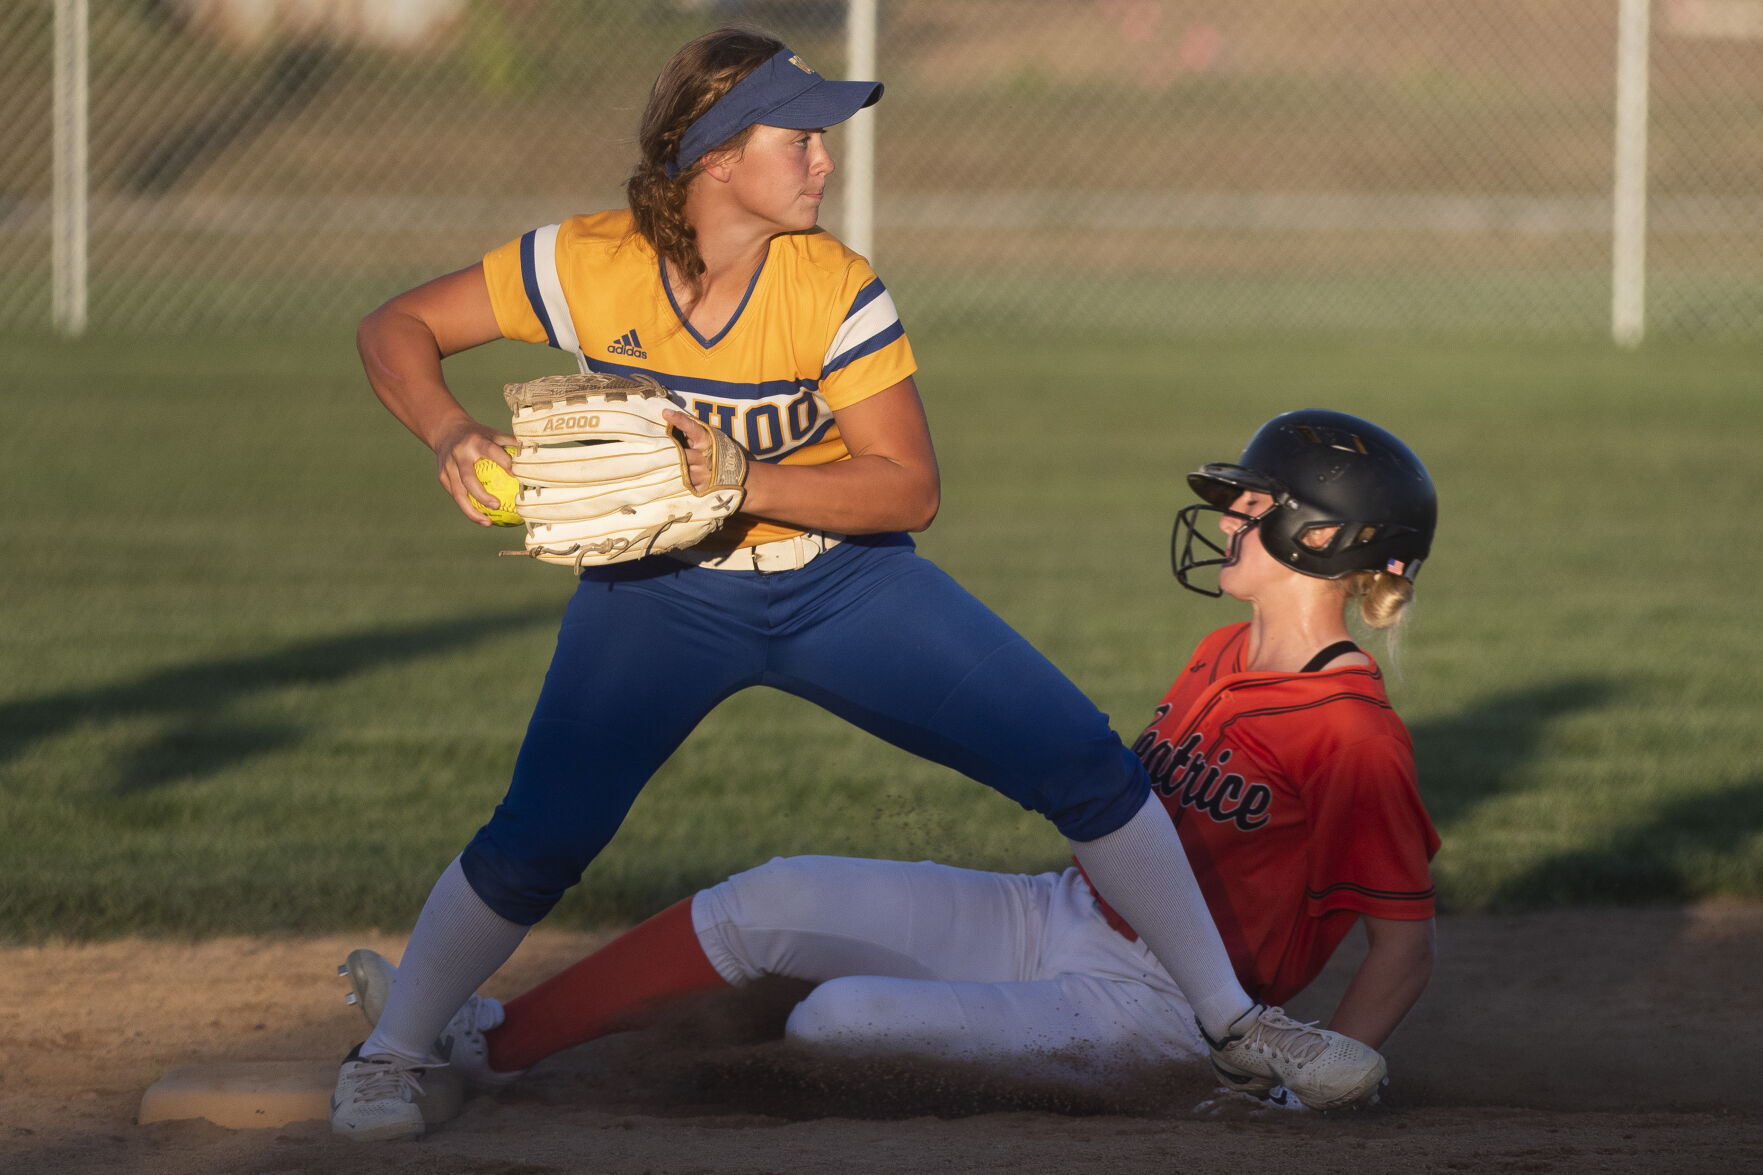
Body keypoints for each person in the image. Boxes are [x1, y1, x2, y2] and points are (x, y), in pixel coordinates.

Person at [329, 27, 1384, 1141]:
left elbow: (906, 490)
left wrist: (745, 478)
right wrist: (450, 431)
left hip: (839, 587)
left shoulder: (831, 287)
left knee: (1077, 754)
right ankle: (397, 1047)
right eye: (801, 137)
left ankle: (1230, 1019)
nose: (825, 160)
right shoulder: (586, 261)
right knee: (539, 833)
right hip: (655, 594)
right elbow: (392, 325)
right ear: (719, 156)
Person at [340, 408, 1440, 1120]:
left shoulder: (1351, 732)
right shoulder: (1220, 654)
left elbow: (1400, 943)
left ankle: (1230, 1060)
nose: (1227, 517)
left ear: (1322, 539)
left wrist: (1306, 1086)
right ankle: (488, 1037)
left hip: (1159, 1006)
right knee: (777, 895)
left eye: (1252, 504)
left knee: (838, 1020)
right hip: (1060, 910)